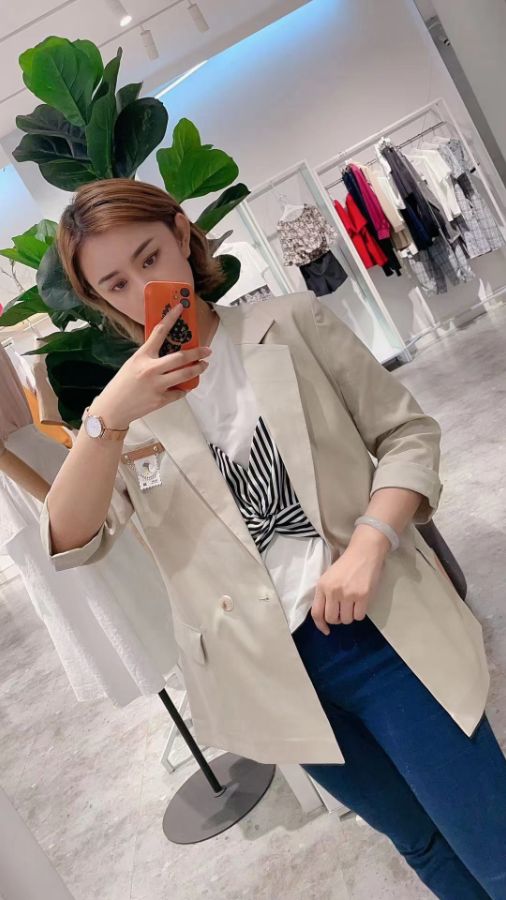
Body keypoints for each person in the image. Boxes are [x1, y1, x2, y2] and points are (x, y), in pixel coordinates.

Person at [42, 179, 506, 899]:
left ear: (182, 234)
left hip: (382, 630)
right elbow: (72, 539)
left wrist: (371, 541)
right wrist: (107, 418)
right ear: (98, 300)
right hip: (268, 673)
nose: (143, 289)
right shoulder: (122, 418)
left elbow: (407, 434)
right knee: (421, 845)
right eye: (116, 283)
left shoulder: (287, 325)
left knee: (493, 842)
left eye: (150, 256)